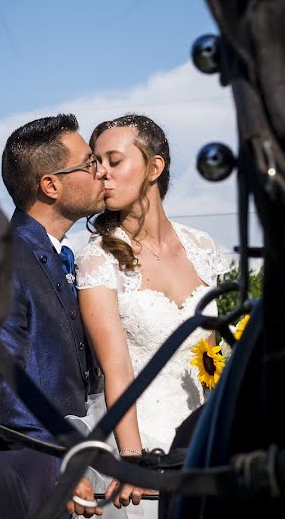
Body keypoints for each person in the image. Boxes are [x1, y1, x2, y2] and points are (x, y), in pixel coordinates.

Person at [76, 114, 229, 517]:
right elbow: (117, 367)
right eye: (96, 163)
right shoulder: (98, 258)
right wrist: (132, 457)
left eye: (114, 161)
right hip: (140, 442)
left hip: (200, 444)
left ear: (154, 167)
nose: (101, 175)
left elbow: (209, 358)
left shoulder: (203, 247)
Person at [0, 114, 107, 518]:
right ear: (51, 185)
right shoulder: (4, 257)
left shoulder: (66, 257)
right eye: (88, 163)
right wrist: (58, 460)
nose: (99, 171)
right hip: (33, 472)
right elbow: (4, 381)